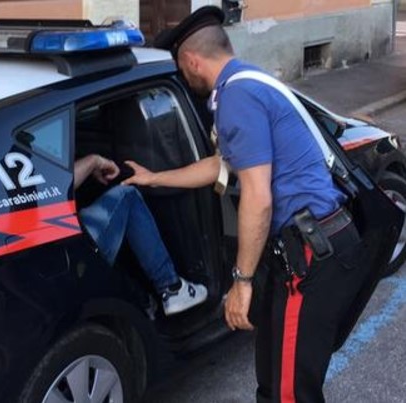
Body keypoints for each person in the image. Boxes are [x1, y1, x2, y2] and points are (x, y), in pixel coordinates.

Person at [123, 6, 369, 402]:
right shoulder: (247, 81)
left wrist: (241, 282)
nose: (185, 77)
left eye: (182, 69)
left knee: (290, 393)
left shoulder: (237, 97)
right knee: (273, 382)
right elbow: (222, 164)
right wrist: (154, 178)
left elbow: (258, 196)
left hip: (310, 253)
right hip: (310, 246)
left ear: (192, 61)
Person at [74, 153, 208, 316]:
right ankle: (171, 287)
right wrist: (93, 161)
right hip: (66, 251)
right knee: (127, 196)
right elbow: (58, 185)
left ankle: (141, 303)